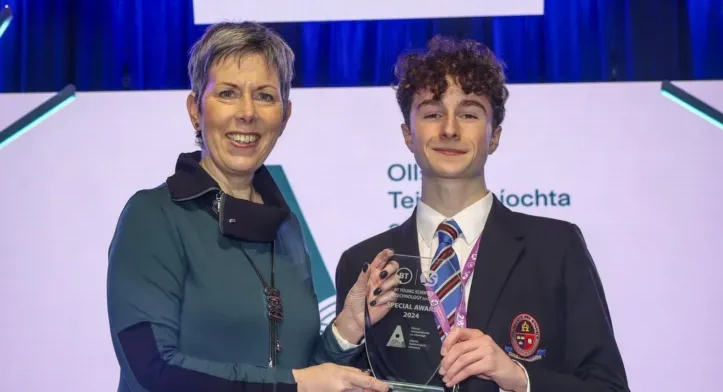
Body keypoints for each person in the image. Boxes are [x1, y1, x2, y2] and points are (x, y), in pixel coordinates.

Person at [106, 21, 399, 392]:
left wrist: (347, 329)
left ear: (285, 115)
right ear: (195, 110)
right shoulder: (153, 217)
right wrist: (296, 384)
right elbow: (153, 370)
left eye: (264, 96)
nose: (247, 112)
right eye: (228, 93)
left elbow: (301, 372)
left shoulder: (285, 227)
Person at [334, 36, 629, 391]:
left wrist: (520, 378)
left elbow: (609, 386)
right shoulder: (364, 264)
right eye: (431, 113)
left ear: (494, 137)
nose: (449, 129)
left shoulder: (555, 248)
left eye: (469, 113)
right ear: (408, 135)